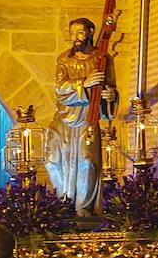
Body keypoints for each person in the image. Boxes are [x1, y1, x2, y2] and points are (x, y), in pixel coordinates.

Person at [45, 17, 113, 215]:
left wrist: (110, 95)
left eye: (80, 33)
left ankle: (83, 207)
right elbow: (60, 88)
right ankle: (63, 204)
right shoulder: (64, 59)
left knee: (86, 161)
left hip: (88, 119)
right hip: (64, 118)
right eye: (72, 33)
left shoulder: (102, 59)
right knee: (52, 160)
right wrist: (84, 83)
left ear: (91, 32)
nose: (75, 37)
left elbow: (110, 89)